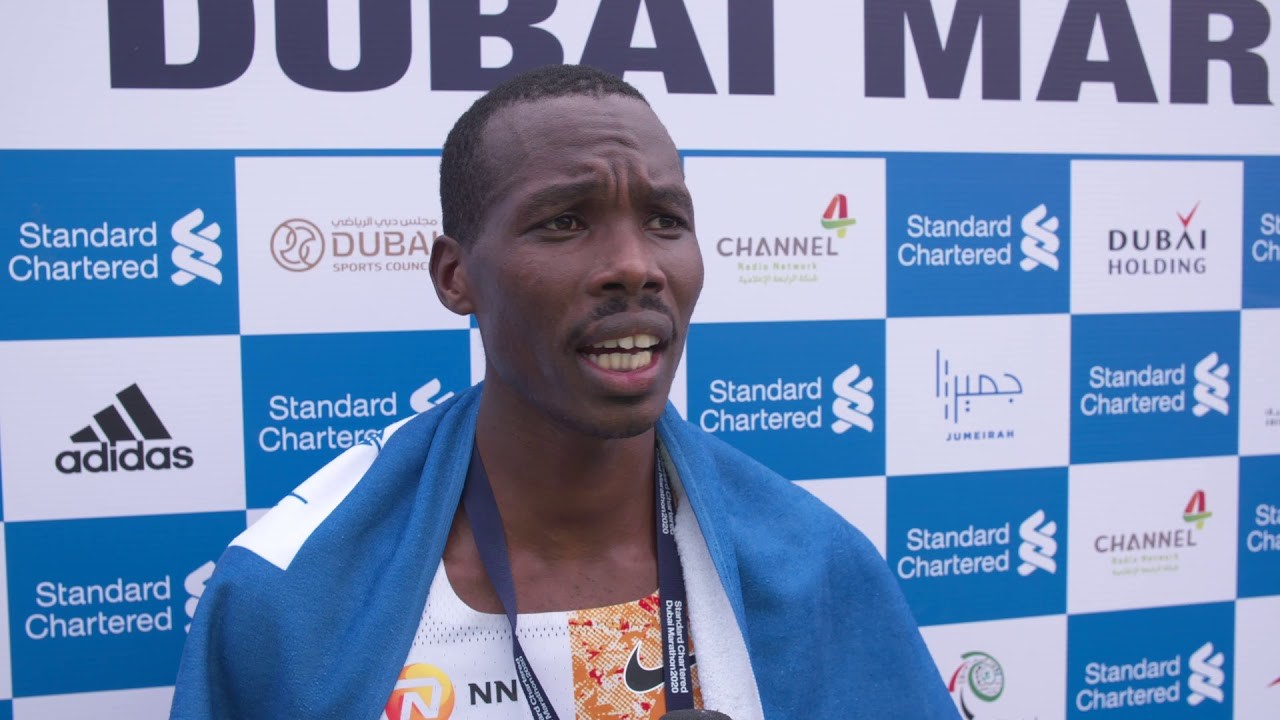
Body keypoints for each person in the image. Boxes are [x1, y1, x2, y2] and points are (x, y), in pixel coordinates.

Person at [172, 64, 957, 720]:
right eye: (564, 222)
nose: (635, 266)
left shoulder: (815, 568)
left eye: (665, 219)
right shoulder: (288, 595)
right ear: (456, 276)